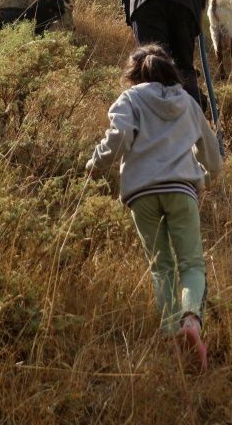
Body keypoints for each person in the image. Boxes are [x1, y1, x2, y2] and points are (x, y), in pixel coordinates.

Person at [87, 45, 222, 371]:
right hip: (181, 191)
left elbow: (117, 139)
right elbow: (213, 159)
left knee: (162, 267)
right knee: (191, 264)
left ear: (134, 75)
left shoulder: (130, 100)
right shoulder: (188, 103)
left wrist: (95, 164)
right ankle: (192, 321)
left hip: (142, 194)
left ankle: (170, 333)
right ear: (170, 72)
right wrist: (204, 175)